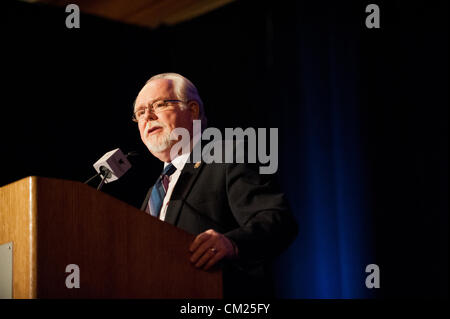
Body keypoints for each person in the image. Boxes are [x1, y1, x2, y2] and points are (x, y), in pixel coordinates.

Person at [133, 72, 298, 297]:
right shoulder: (153, 193)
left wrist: (231, 243)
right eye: (140, 112)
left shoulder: (227, 156)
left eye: (159, 105)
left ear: (192, 110)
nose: (147, 117)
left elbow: (277, 220)